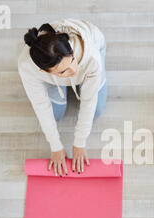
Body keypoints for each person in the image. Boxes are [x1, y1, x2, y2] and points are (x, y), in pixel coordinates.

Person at [18, 19, 107, 177]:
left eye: (72, 60)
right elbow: (40, 105)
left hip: (93, 53)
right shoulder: (27, 66)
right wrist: (56, 147)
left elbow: (89, 101)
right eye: (63, 71)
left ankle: (67, 69)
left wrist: (79, 143)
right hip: (54, 76)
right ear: (43, 71)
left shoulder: (91, 58)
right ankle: (62, 78)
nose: (74, 70)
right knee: (56, 114)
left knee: (97, 111)